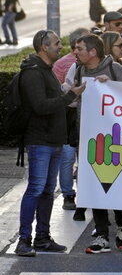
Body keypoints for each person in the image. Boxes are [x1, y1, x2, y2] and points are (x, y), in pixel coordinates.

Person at [15, 30, 85, 256]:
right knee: (36, 189)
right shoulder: (33, 72)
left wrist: (70, 95)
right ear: (44, 47)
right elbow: (40, 106)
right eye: (56, 44)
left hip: (54, 141)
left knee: (46, 191)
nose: (60, 47)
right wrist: (68, 96)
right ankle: (23, 240)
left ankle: (42, 237)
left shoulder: (46, 70)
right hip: (40, 141)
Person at [71, 34, 122, 254]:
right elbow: (73, 99)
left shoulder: (115, 69)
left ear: (92, 52)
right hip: (89, 139)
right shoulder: (79, 71)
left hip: (114, 139)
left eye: (79, 48)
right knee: (92, 186)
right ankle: (101, 234)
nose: (75, 52)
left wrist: (113, 87)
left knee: (113, 183)